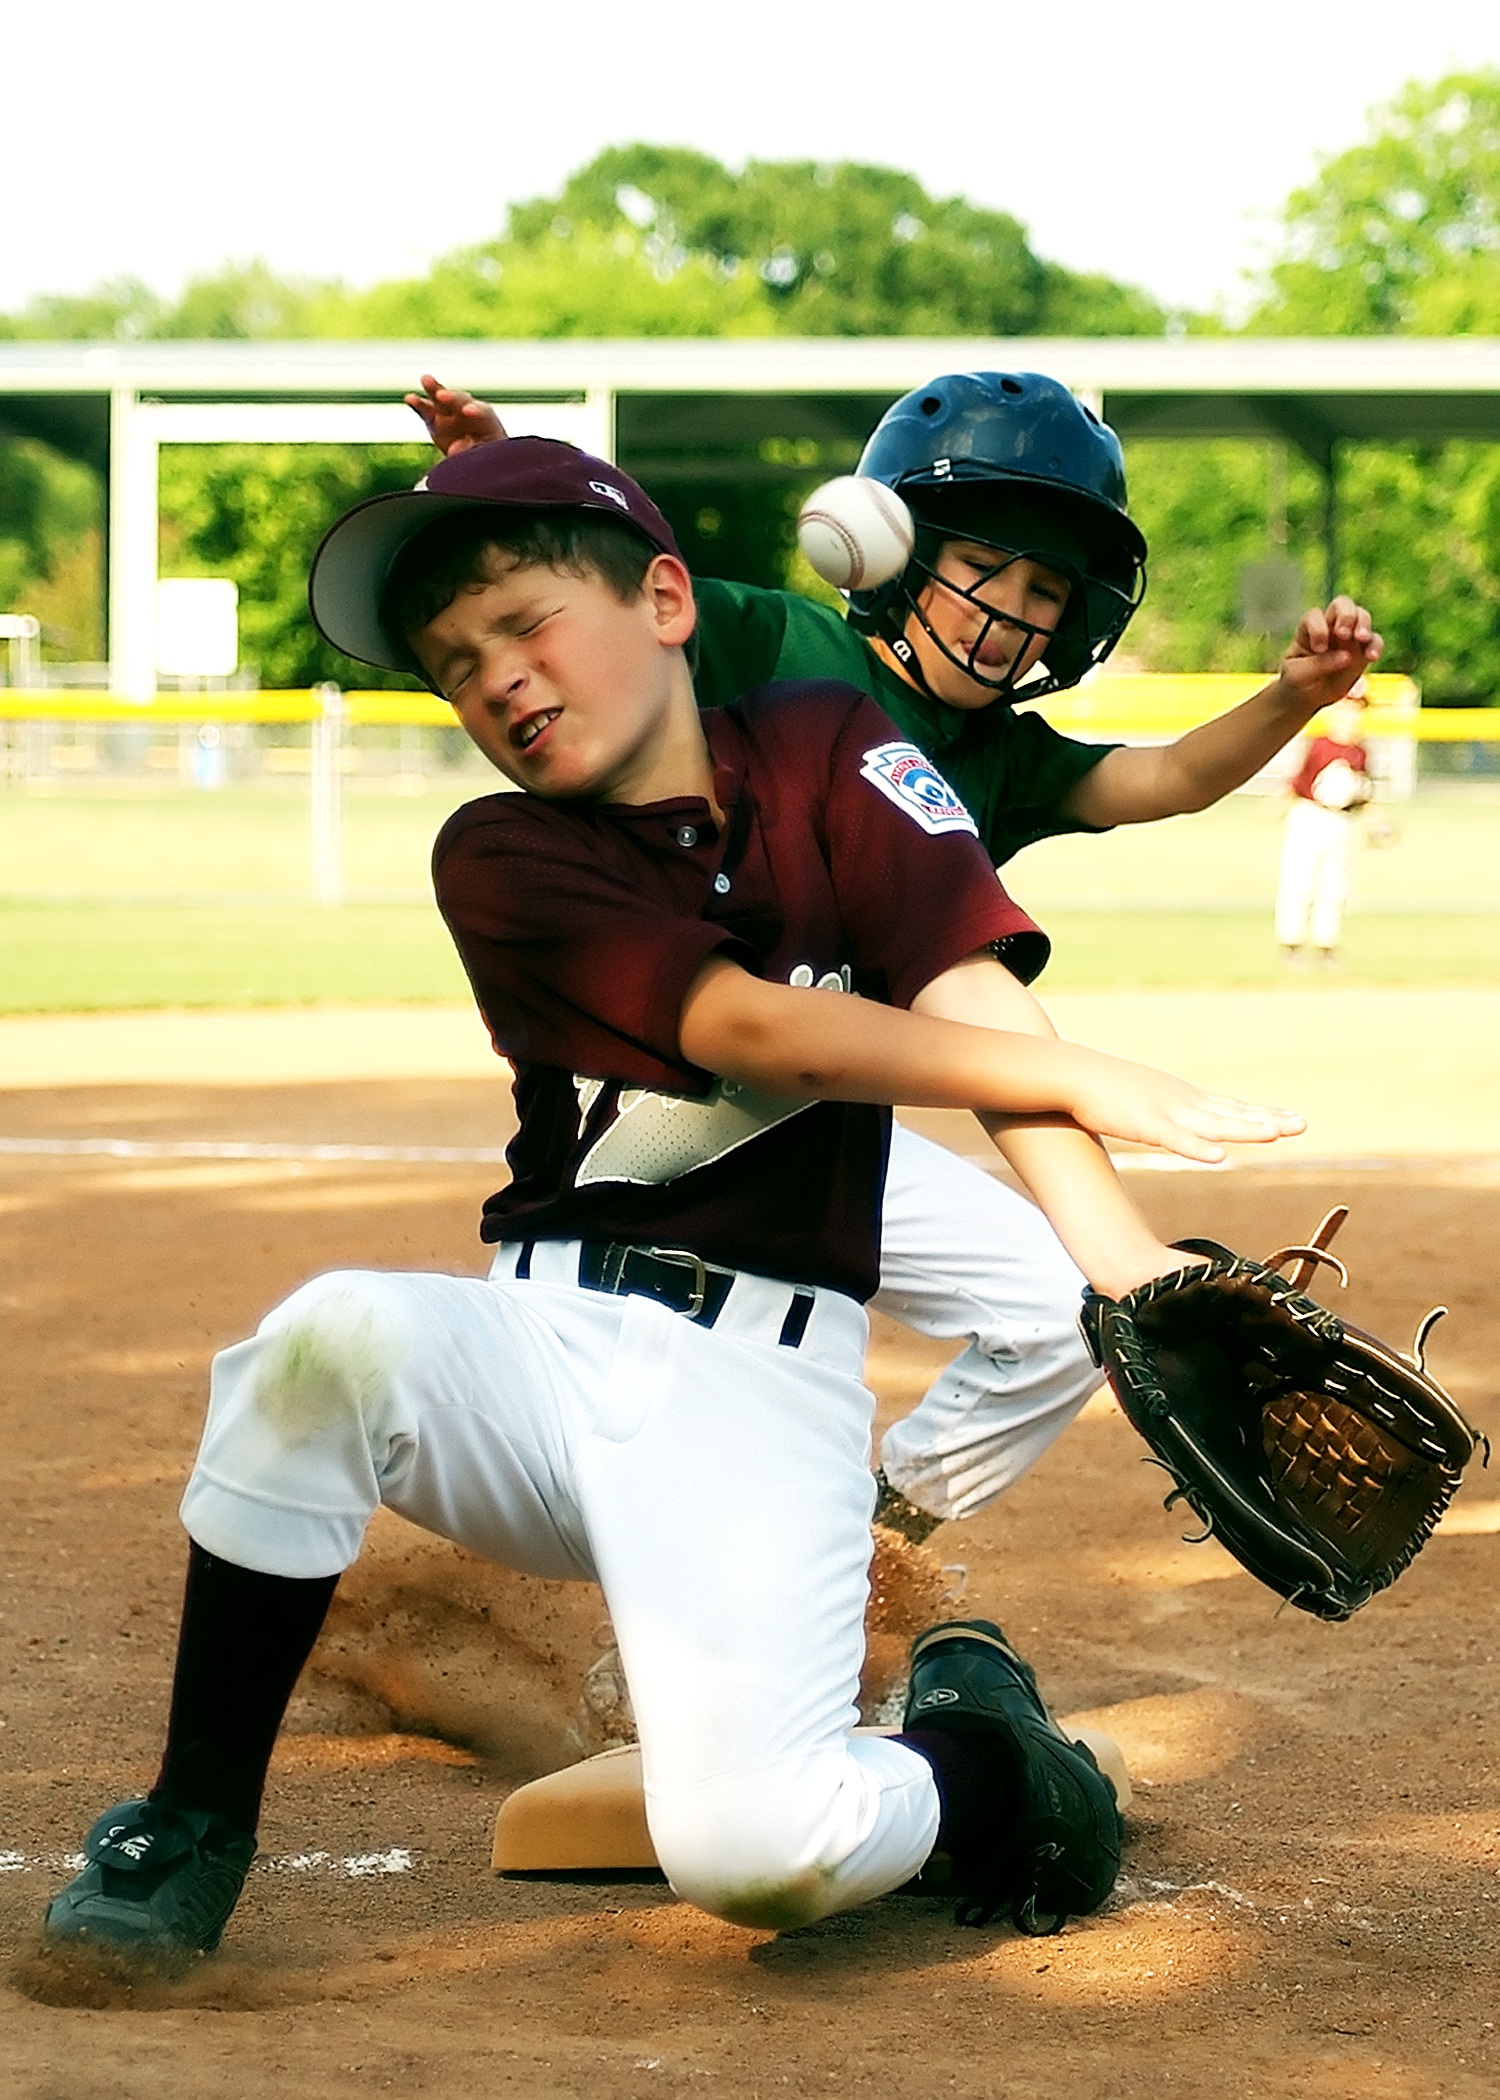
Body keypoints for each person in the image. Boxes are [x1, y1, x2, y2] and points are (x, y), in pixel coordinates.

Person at [44, 438, 1303, 1963]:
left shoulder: (835, 745)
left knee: (759, 1856)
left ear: (663, 598)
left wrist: (1125, 1262)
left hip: (758, 1405)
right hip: (538, 1371)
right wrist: (1097, 1074)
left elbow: (965, 983)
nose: (495, 677)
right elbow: (746, 1028)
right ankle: (187, 1822)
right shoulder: (500, 851)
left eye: (524, 624)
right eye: (455, 665)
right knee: (326, 1340)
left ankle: (998, 1769)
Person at [409, 373, 1382, 1540]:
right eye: (985, 569)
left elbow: (1166, 778)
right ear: (897, 549)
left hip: (830, 1106)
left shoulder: (1000, 753)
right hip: (676, 1080)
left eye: (1045, 590)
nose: (1009, 612)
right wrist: (502, 477)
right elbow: (600, 604)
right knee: (666, 1367)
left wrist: (1293, 696)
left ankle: (871, 1550)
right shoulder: (782, 638)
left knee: (1050, 1309)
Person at [1275, 681, 1374, 964]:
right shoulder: (1319, 744)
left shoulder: (1361, 751)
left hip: (1344, 821)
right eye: (1348, 707)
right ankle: (1290, 941)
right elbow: (1297, 781)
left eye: (1358, 709)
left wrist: (1374, 819)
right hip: (1310, 816)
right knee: (1299, 879)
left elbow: (1364, 793)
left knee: (1336, 884)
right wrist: (1279, 802)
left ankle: (1326, 943)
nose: (1354, 715)